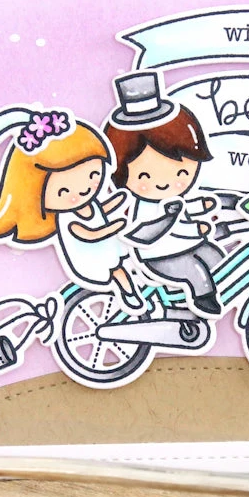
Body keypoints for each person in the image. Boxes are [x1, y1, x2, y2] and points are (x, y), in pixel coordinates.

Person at [0, 115, 144, 311]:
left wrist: (117, 202)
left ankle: (133, 290)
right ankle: (129, 294)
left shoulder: (88, 204)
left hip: (108, 249)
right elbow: (88, 234)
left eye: (93, 175)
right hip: (93, 259)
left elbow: (99, 211)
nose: (84, 190)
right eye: (64, 191)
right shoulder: (66, 217)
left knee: (127, 264)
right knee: (118, 272)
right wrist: (113, 227)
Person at [104, 71, 225, 317]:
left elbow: (185, 210)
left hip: (188, 245)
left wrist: (205, 207)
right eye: (144, 176)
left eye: (181, 171)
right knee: (196, 272)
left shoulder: (173, 202)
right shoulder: (147, 208)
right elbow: (161, 229)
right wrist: (196, 228)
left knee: (216, 258)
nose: (163, 183)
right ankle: (202, 302)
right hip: (159, 256)